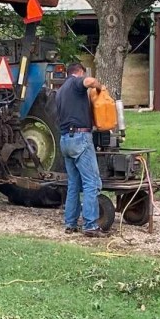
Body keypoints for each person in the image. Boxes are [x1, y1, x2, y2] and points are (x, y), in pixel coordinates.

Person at [55, 62, 107, 237]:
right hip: (80, 138)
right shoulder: (76, 83)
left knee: (73, 184)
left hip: (65, 140)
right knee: (92, 182)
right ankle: (91, 225)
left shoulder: (60, 91)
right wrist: (100, 88)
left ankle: (70, 223)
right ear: (79, 72)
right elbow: (89, 81)